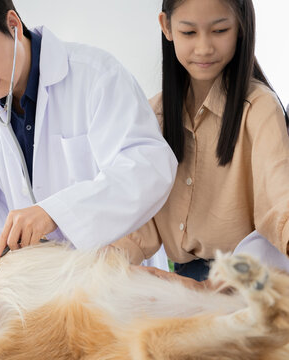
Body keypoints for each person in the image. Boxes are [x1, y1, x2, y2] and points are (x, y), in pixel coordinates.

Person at [0, 0, 178, 309]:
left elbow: (147, 168)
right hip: (38, 294)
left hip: (118, 279)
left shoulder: (95, 75)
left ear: (13, 25)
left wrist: (55, 212)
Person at [114, 0, 289, 284]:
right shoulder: (153, 115)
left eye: (220, 31)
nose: (204, 47)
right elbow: (140, 224)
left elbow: (279, 198)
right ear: (166, 27)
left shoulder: (259, 108)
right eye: (189, 33)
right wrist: (97, 268)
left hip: (249, 279)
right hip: (183, 279)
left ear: (241, 27)